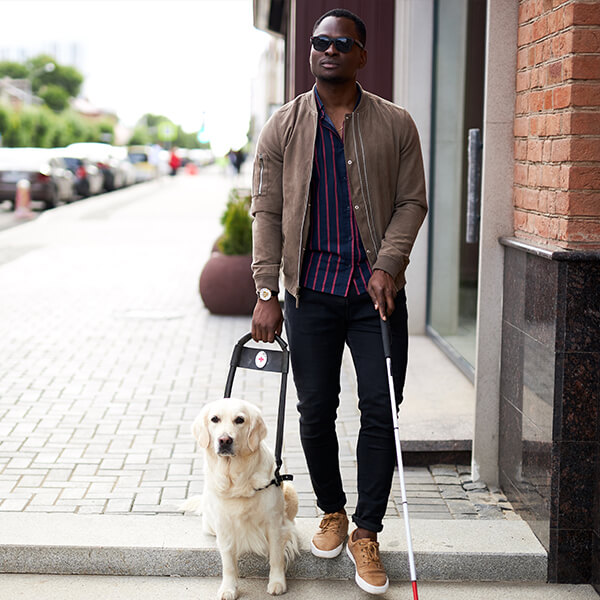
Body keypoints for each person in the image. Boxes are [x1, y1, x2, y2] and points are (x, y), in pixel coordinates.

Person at [250, 8, 427, 595]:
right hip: (311, 295)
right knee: (314, 409)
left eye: (341, 43)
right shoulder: (283, 126)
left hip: (375, 297)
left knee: (382, 410)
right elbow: (267, 211)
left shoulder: (397, 123)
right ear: (311, 52)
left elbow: (411, 203)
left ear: (361, 55)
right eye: (319, 42)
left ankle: (368, 531)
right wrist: (268, 291)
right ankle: (332, 509)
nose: (328, 50)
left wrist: (388, 264)